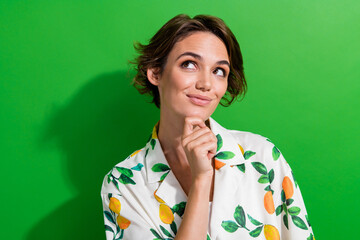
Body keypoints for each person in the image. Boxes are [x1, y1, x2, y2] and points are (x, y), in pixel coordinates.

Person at [100, 14, 315, 240]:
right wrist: (201, 181)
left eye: (219, 71)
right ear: (155, 72)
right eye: (189, 64)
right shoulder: (124, 182)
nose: (206, 84)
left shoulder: (262, 157)